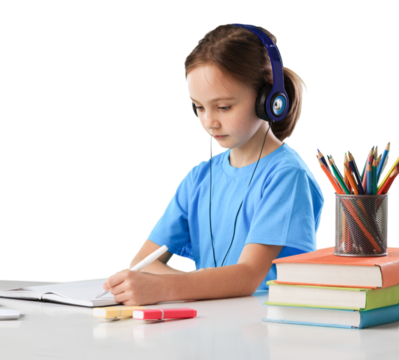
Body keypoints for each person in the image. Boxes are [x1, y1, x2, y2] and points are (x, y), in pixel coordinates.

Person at [101, 23, 326, 306]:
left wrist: (167, 288)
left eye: (223, 107)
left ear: (268, 101)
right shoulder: (198, 178)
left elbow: (247, 278)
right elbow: (142, 264)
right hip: (209, 328)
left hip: (265, 332)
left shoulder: (287, 177)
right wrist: (172, 285)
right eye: (198, 107)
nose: (209, 122)